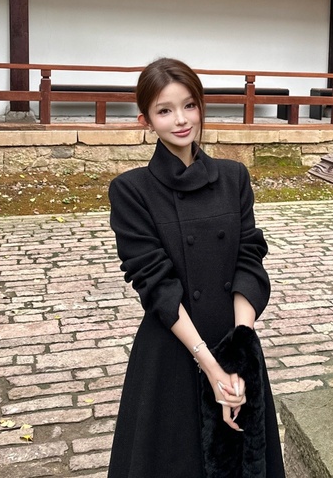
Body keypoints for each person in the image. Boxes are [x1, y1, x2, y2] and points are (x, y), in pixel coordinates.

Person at [107, 58, 285, 478]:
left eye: (189, 105)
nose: (181, 120)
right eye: (165, 110)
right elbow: (156, 284)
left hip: (234, 343)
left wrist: (239, 351)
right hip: (173, 352)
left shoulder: (233, 177)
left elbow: (248, 259)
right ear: (146, 120)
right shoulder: (131, 190)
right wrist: (212, 368)